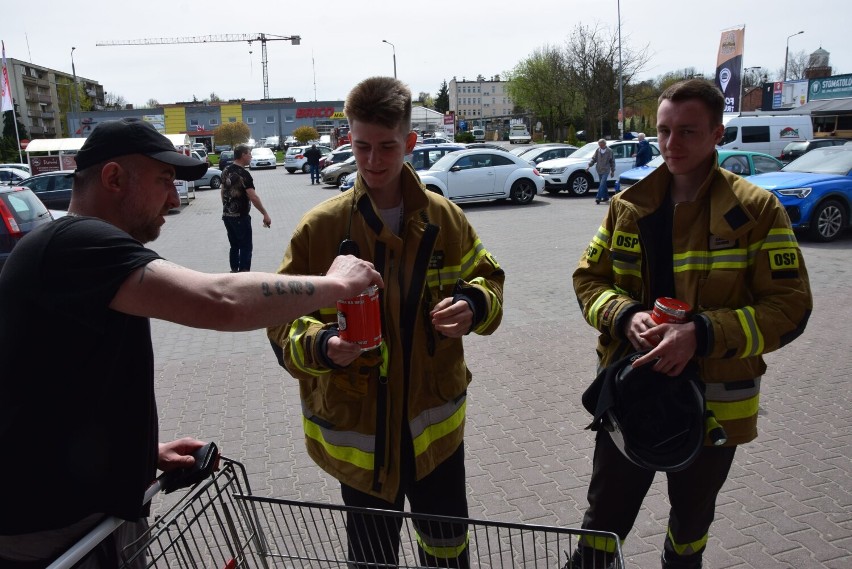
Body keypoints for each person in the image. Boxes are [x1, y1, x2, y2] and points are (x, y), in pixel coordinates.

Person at [0, 117, 382, 568]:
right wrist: (336, 283)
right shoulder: (76, 241)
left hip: (86, 512)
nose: (173, 196)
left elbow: (61, 385)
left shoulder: (80, 253)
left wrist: (139, 454)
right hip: (54, 529)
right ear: (114, 178)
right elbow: (219, 300)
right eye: (164, 180)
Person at [570, 79, 813, 569]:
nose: (670, 145)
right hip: (631, 391)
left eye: (687, 132)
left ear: (717, 134)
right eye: (663, 131)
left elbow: (790, 306)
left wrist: (700, 333)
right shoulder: (628, 205)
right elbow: (588, 280)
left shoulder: (756, 211)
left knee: (690, 526)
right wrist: (626, 315)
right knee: (602, 522)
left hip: (716, 408)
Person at [267, 76, 505, 568]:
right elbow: (280, 320)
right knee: (373, 559)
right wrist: (322, 345)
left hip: (435, 435)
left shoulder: (446, 220)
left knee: (448, 548)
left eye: (387, 147)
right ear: (347, 141)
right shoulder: (322, 228)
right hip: (363, 437)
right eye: (361, 147)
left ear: (410, 142)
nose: (373, 161)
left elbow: (490, 281)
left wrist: (474, 306)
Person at [221, 143, 271, 272]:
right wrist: (265, 213)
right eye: (249, 153)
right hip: (240, 217)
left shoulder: (226, 170)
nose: (251, 156)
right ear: (243, 155)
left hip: (227, 216)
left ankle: (234, 271)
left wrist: (226, 207)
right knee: (245, 247)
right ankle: (244, 274)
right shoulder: (244, 174)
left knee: (234, 246)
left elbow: (223, 191)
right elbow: (253, 197)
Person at [587, 138, 615, 205]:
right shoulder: (598, 150)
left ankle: (598, 198)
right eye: (599, 145)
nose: (600, 146)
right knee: (603, 184)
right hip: (599, 169)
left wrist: (612, 170)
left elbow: (612, 161)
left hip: (606, 170)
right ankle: (606, 197)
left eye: (601, 145)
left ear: (605, 144)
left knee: (602, 184)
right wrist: (589, 166)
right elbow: (594, 159)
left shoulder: (609, 151)